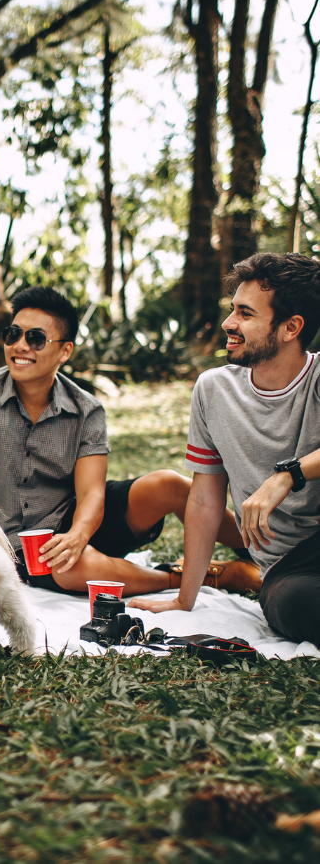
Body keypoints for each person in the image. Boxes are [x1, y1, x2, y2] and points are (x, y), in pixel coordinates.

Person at [0, 285, 257, 596]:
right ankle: (206, 576)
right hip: (27, 545)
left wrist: (78, 535)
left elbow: (92, 493)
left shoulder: (86, 409)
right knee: (70, 567)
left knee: (168, 484)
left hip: (84, 519)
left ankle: (261, 553)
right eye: (13, 335)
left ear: (65, 350)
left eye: (35, 339)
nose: (20, 346)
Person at [130, 253, 320, 645]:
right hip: (289, 567)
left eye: (245, 314)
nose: (228, 324)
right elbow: (204, 500)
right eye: (233, 309)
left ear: (291, 327)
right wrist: (186, 598)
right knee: (292, 606)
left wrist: (289, 474)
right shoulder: (214, 389)